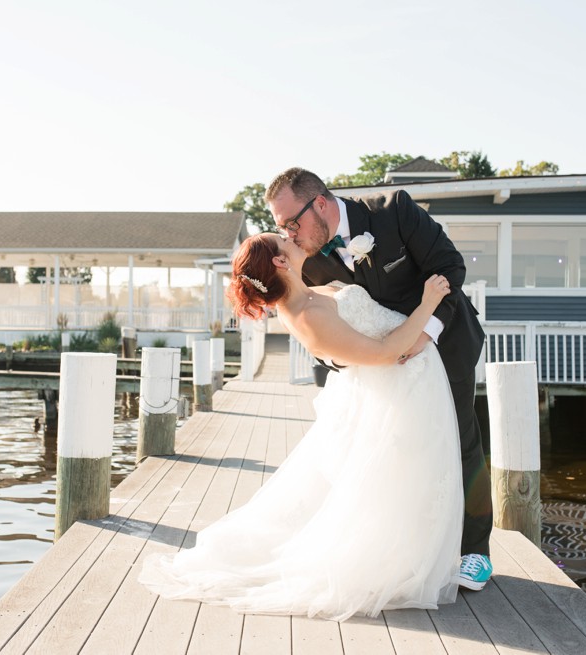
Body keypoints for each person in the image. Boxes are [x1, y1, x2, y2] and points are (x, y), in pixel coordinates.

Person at [139, 233, 464, 620]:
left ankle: (407, 557)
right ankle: (394, 564)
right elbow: (383, 353)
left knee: (407, 481)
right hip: (401, 391)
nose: (291, 238)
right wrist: (429, 303)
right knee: (400, 481)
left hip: (412, 383)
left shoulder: (309, 291)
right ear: (279, 262)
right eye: (283, 239)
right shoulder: (304, 315)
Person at [265, 167, 493, 590]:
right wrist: (349, 362)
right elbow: (327, 329)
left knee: (460, 439)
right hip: (385, 368)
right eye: (280, 228)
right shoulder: (308, 260)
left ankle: (476, 550)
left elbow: (450, 268)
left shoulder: (395, 211)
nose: (289, 234)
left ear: (319, 203)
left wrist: (426, 333)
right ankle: (423, 546)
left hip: (445, 341)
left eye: (290, 223)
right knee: (402, 450)